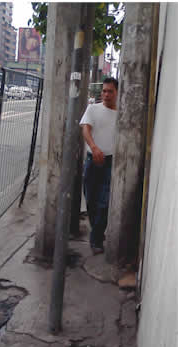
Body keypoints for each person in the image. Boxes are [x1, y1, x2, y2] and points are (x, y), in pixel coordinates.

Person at [80, 77, 118, 255]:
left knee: (104, 202)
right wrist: (94, 148)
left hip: (110, 162)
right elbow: (86, 129)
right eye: (104, 91)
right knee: (90, 198)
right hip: (91, 160)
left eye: (110, 91)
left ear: (117, 92)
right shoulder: (93, 109)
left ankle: (96, 239)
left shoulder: (121, 115)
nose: (106, 94)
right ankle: (97, 230)